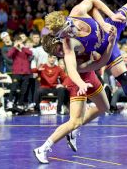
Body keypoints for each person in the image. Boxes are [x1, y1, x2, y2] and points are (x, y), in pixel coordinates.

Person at [36, 0, 127, 164]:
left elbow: (92, 2)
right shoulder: (68, 45)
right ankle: (45, 146)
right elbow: (82, 67)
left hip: (109, 28)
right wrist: (108, 45)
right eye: (60, 38)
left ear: (66, 22)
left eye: (64, 33)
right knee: (124, 81)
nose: (64, 39)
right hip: (88, 70)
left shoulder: (77, 12)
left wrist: (108, 18)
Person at [34, 25, 117, 164]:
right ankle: (43, 148)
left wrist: (111, 42)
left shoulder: (76, 36)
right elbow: (73, 71)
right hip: (77, 81)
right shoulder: (67, 52)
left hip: (90, 76)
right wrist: (81, 83)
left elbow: (100, 59)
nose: (60, 54)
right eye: (56, 54)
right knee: (74, 121)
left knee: (104, 106)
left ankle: (74, 130)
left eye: (58, 50)